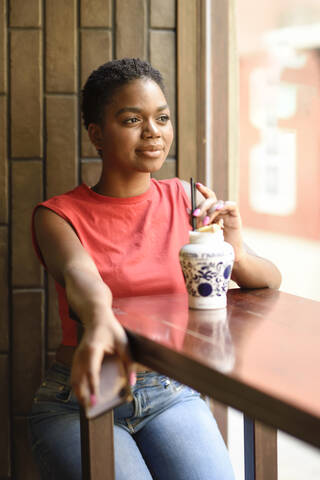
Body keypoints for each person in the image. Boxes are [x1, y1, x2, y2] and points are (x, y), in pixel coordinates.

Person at [28, 58, 281, 480]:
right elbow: (81, 277)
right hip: (82, 394)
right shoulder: (58, 215)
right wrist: (101, 318)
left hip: (167, 389)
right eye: (132, 119)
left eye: (162, 118)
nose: (153, 132)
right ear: (96, 135)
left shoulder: (188, 198)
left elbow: (269, 279)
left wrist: (233, 247)